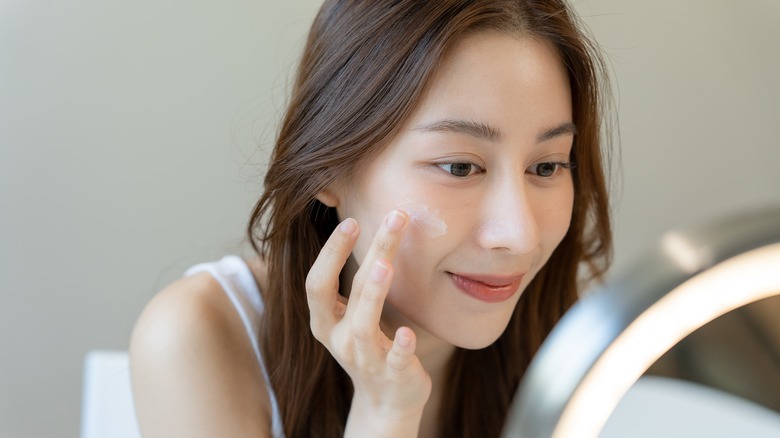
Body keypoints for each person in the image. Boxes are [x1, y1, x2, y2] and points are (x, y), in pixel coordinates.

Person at [129, 0, 613, 436]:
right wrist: (385, 413)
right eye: (459, 166)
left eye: (547, 166)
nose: (519, 233)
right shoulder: (198, 337)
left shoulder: (570, 346)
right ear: (328, 165)